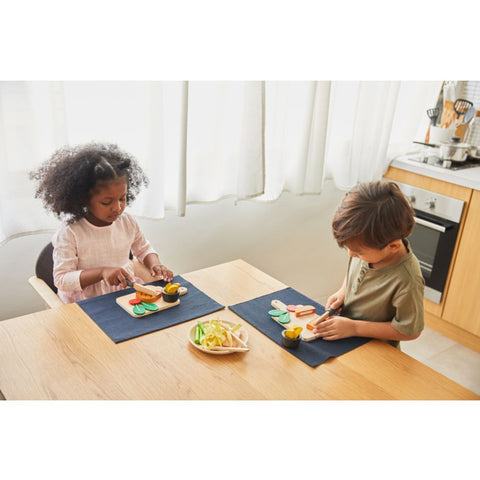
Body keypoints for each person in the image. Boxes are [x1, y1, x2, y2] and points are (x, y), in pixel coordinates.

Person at [30, 142, 173, 303]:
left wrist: (155, 264)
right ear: (84, 199)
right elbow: (62, 280)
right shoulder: (70, 232)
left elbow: (144, 249)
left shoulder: (127, 222)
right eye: (107, 202)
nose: (117, 208)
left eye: (122, 198)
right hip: (84, 302)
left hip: (123, 293)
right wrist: (101, 272)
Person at [313, 180, 424, 348]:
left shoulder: (408, 281)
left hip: (375, 350)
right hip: (346, 336)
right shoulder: (367, 246)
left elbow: (410, 331)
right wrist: (343, 292)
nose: (351, 255)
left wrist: (355, 328)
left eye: (358, 253)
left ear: (393, 246)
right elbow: (354, 270)